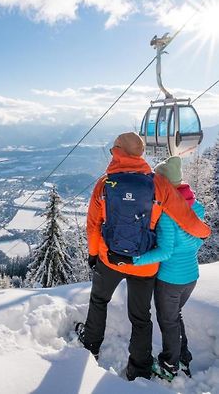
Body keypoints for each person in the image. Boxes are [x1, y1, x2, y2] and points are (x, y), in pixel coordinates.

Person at [76, 132, 211, 381]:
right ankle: (139, 369)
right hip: (144, 265)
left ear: (117, 152)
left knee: (99, 300)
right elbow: (186, 217)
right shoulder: (157, 184)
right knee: (140, 317)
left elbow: (93, 225)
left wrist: (94, 254)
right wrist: (205, 233)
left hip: (110, 259)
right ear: (140, 154)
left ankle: (91, 347)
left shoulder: (104, 184)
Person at [133, 156, 204, 380]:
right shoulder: (197, 206)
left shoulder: (167, 213)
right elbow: (200, 239)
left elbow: (165, 252)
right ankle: (182, 357)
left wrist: (136, 259)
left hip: (170, 280)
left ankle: (169, 365)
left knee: (168, 321)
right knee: (175, 316)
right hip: (191, 276)